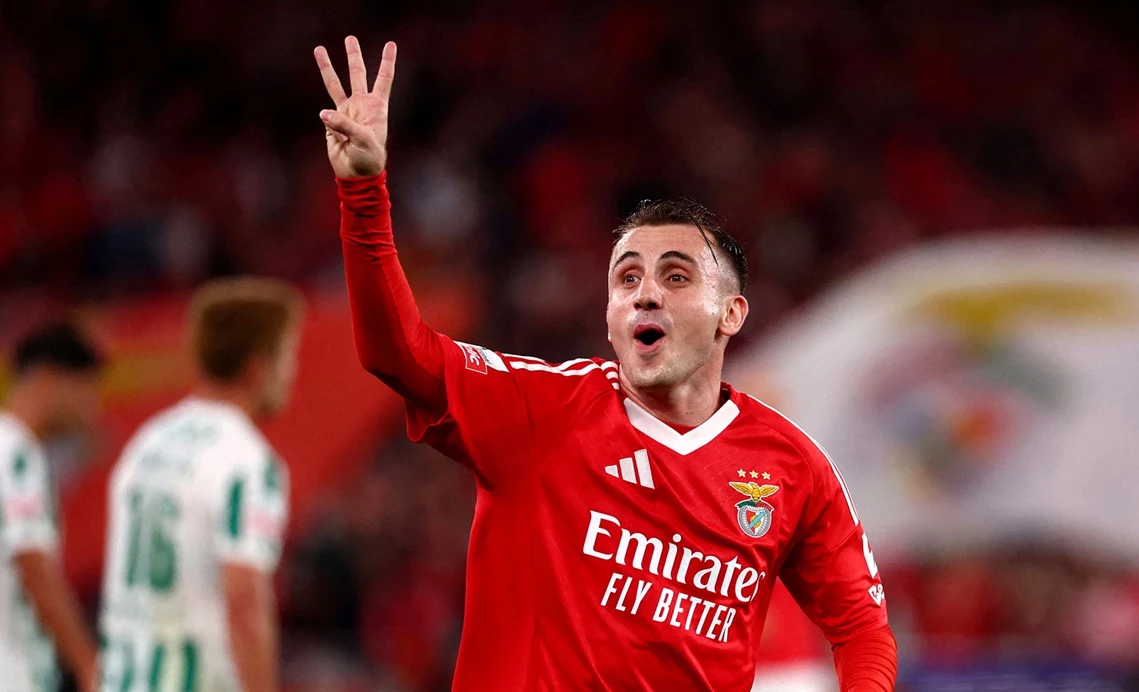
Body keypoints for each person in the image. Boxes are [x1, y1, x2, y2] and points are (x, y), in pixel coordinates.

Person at [315, 36, 897, 691]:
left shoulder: (794, 468)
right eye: (627, 277)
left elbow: (862, 628)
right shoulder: (543, 409)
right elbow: (399, 354)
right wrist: (363, 195)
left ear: (731, 314)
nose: (645, 292)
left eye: (675, 276)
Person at [98, 278, 303, 692]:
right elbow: (245, 604)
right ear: (257, 367)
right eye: (287, 356)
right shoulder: (247, 462)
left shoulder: (147, 443)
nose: (291, 373)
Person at [0, 323, 104, 692]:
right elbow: (32, 562)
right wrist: (86, 662)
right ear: (48, 379)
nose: (91, 407)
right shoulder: (17, 454)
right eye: (85, 389)